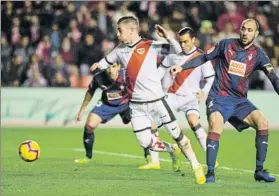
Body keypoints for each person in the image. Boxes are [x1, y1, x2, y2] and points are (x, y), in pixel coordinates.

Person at [90, 16, 206, 184]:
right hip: (136, 107)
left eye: (120, 30)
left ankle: (196, 166)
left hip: (157, 102)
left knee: (178, 135)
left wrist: (168, 37)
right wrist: (98, 65)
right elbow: (107, 60)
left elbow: (178, 52)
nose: (117, 33)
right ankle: (172, 150)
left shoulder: (151, 46)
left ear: (131, 30)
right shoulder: (120, 49)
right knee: (145, 142)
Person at [171, 18, 278, 183]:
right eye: (243, 28)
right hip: (218, 98)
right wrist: (182, 67)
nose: (245, 32)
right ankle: (211, 173)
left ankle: (259, 170)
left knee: (263, 122)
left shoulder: (258, 55)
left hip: (240, 101)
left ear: (256, 34)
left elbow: (272, 77)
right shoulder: (226, 45)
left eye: (249, 30)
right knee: (216, 125)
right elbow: (203, 57)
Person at [74, 63, 180, 171]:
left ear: (119, 67)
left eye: (114, 66)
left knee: (149, 127)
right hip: (107, 105)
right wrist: (81, 110)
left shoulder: (127, 75)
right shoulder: (99, 77)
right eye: (108, 67)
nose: (111, 70)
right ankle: (88, 156)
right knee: (89, 125)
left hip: (127, 104)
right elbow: (90, 92)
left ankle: (152, 154)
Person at [149, 27, 219, 169]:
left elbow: (211, 78)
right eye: (180, 42)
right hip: (172, 96)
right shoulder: (174, 55)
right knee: (152, 124)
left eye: (186, 42)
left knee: (193, 122)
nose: (182, 45)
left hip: (191, 98)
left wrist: (203, 92)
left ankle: (212, 158)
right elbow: (160, 71)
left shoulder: (202, 57)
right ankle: (155, 162)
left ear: (193, 40)